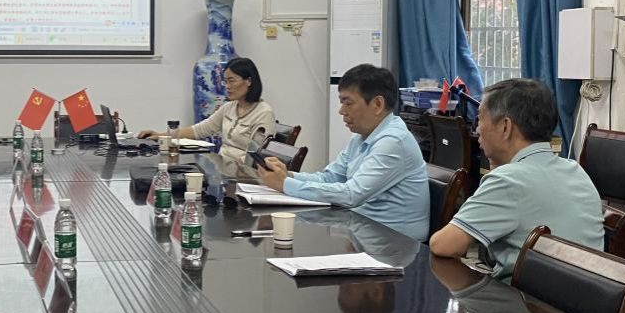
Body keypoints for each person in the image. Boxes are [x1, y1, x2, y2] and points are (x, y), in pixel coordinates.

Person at [430, 78, 603, 279]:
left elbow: (443, 245)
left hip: (524, 296)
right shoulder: (576, 171)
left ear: (505, 127)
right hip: (580, 294)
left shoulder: (508, 180)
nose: (477, 130)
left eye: (480, 120)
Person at [256, 64, 429, 240]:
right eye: (341, 103)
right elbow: (330, 178)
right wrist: (289, 176)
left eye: (348, 103)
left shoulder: (394, 141)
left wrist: (285, 184)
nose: (341, 111)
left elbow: (351, 195)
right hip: (362, 229)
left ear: (377, 104)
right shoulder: (361, 136)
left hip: (395, 243)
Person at [138, 57, 276, 162]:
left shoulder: (263, 113)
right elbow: (199, 130)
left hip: (242, 175)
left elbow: (256, 158)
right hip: (222, 168)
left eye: (232, 81)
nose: (227, 86)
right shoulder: (229, 107)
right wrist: (161, 136)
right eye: (225, 81)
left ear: (249, 81)